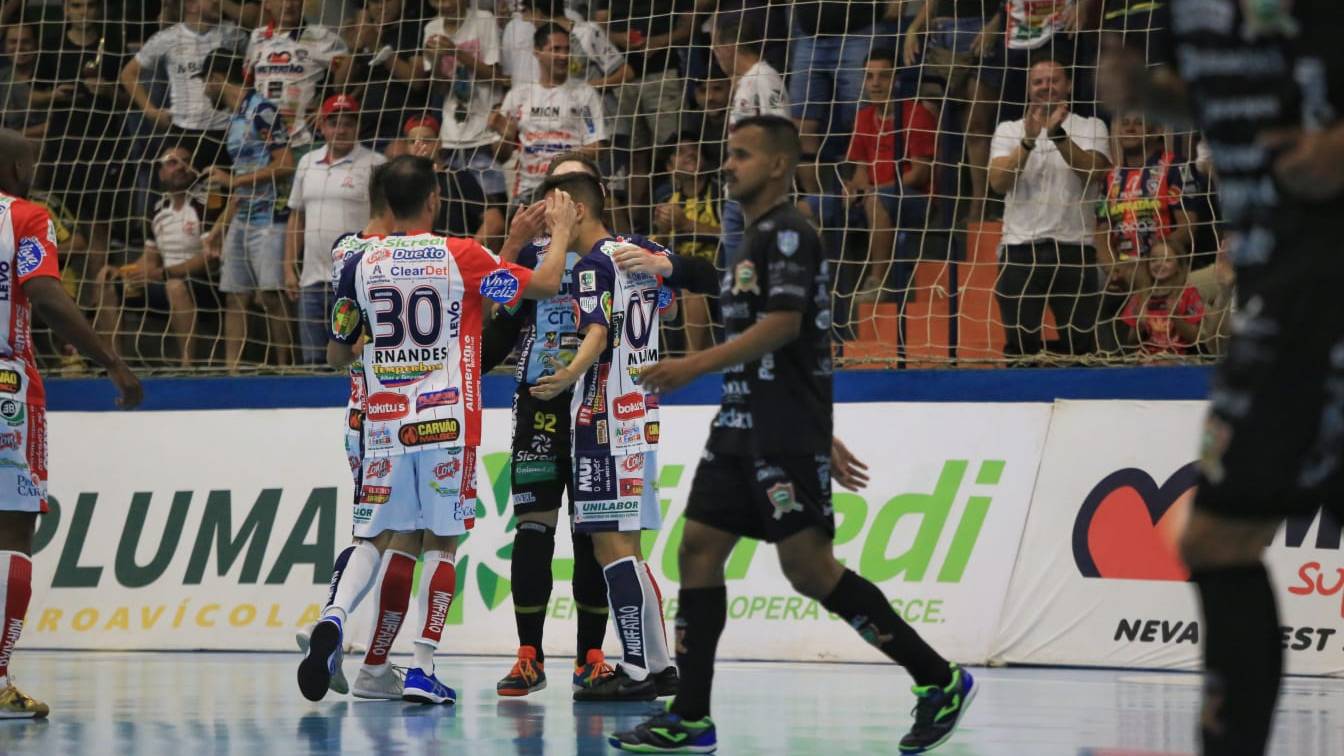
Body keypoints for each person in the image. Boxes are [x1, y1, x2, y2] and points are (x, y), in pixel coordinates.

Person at [610, 116, 976, 753]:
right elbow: (795, 347)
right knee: (697, 547)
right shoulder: (751, 237)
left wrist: (691, 368)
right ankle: (691, 716)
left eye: (742, 155)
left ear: (778, 165)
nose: (729, 165)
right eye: (728, 153)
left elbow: (784, 325)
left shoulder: (788, 233)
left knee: (809, 571)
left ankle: (937, 678)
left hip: (779, 432)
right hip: (744, 421)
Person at [1102, 5, 1344, 753]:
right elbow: (1209, 96)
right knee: (1214, 539)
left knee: (1217, 537)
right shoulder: (1182, 11)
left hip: (1327, 271)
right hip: (1274, 285)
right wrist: (1146, 94)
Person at [302, 154, 571, 705]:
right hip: (447, 422)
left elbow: (334, 353)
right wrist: (561, 232)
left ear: (384, 204)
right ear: (433, 200)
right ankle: (423, 665)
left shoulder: (359, 260)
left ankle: (332, 617)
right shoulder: (461, 255)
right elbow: (540, 285)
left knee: (374, 537)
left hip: (383, 421)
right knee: (442, 544)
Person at [0, 128, 143, 718]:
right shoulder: (28, 217)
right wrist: (111, 361)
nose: (35, 169)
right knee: (12, 531)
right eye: (30, 160)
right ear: (12, 164)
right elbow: (46, 294)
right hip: (7, 388)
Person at [526, 170, 679, 700]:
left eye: (554, 209)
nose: (549, 219)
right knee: (629, 551)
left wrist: (568, 376)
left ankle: (636, 670)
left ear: (577, 210)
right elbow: (671, 294)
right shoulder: (639, 250)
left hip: (603, 422)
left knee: (610, 549)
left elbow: (596, 332)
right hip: (642, 415)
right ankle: (660, 665)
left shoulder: (592, 264)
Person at [987, 58, 1110, 359]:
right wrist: (1028, 141)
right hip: (1019, 250)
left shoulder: (1091, 125)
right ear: (1029, 89)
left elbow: (1093, 171)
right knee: (1020, 351)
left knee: (1080, 351)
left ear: (1068, 85)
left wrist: (1057, 134)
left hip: (1074, 249)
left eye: (1053, 80)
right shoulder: (1009, 129)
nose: (1046, 87)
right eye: (1038, 82)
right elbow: (998, 182)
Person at [197, 47, 297, 371]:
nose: (204, 90)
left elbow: (285, 164)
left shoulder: (261, 110)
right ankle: (232, 371)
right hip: (242, 217)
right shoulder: (236, 118)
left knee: (271, 296)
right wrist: (217, 229)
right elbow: (239, 181)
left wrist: (230, 181)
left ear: (215, 78)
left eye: (204, 82)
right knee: (234, 295)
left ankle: (285, 368)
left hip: (270, 217)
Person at [92, 145, 220, 368]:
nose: (181, 166)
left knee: (174, 286)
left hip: (202, 283)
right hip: (164, 279)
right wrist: (124, 271)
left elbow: (209, 259)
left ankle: (188, 365)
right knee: (107, 277)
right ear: (161, 173)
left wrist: (163, 273)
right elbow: (149, 258)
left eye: (186, 161)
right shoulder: (158, 208)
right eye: (172, 162)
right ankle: (115, 364)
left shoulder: (206, 203)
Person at [285, 94, 387, 364]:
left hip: (357, 282)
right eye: (334, 123)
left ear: (356, 126)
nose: (340, 129)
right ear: (322, 125)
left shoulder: (376, 163)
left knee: (357, 362)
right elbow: (297, 216)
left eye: (347, 123)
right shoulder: (306, 162)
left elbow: (387, 219)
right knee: (312, 363)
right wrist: (287, 266)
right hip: (311, 279)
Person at [842, 48, 937, 303]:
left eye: (882, 76)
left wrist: (874, 191)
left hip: (917, 200)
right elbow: (861, 169)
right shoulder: (863, 117)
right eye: (869, 76)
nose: (875, 83)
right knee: (811, 206)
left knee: (877, 200)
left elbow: (919, 174)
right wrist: (857, 189)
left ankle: (877, 282)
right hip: (876, 195)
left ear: (896, 79)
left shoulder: (916, 114)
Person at [119, 0, 249, 169]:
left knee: (225, 192)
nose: (218, 2)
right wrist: (150, 111)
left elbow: (252, 66)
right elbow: (128, 74)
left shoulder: (232, 33)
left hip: (227, 129)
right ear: (192, 5)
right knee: (186, 191)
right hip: (184, 131)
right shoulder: (168, 38)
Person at [419, 0, 506, 245]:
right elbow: (438, 87)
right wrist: (436, 60)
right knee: (454, 213)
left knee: (492, 213)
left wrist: (456, 52)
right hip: (450, 136)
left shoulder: (484, 20)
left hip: (484, 134)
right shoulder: (431, 27)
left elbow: (496, 76)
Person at [490, 23, 606, 207]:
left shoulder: (584, 94)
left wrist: (561, 157)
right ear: (537, 51)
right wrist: (506, 134)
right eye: (556, 49)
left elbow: (596, 147)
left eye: (567, 49)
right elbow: (500, 156)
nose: (563, 56)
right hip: (528, 192)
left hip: (571, 190)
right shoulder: (518, 96)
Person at [710, 9, 788, 269]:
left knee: (753, 277)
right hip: (738, 195)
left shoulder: (764, 79)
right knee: (737, 282)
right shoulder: (746, 82)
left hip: (757, 196)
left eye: (717, 46)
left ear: (730, 47)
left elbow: (780, 136)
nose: (715, 53)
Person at [653, 134, 722, 352]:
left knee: (695, 282)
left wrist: (686, 224)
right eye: (680, 152)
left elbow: (736, 235)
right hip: (679, 271)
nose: (690, 153)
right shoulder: (666, 201)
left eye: (694, 149)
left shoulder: (720, 192)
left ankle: (691, 361)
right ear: (669, 166)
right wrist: (663, 231)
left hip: (719, 267)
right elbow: (656, 248)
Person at [244, 0, 350, 129]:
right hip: (262, 130)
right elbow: (248, 81)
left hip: (304, 133)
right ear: (267, 4)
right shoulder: (257, 37)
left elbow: (350, 71)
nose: (288, 5)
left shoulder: (322, 37)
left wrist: (328, 106)